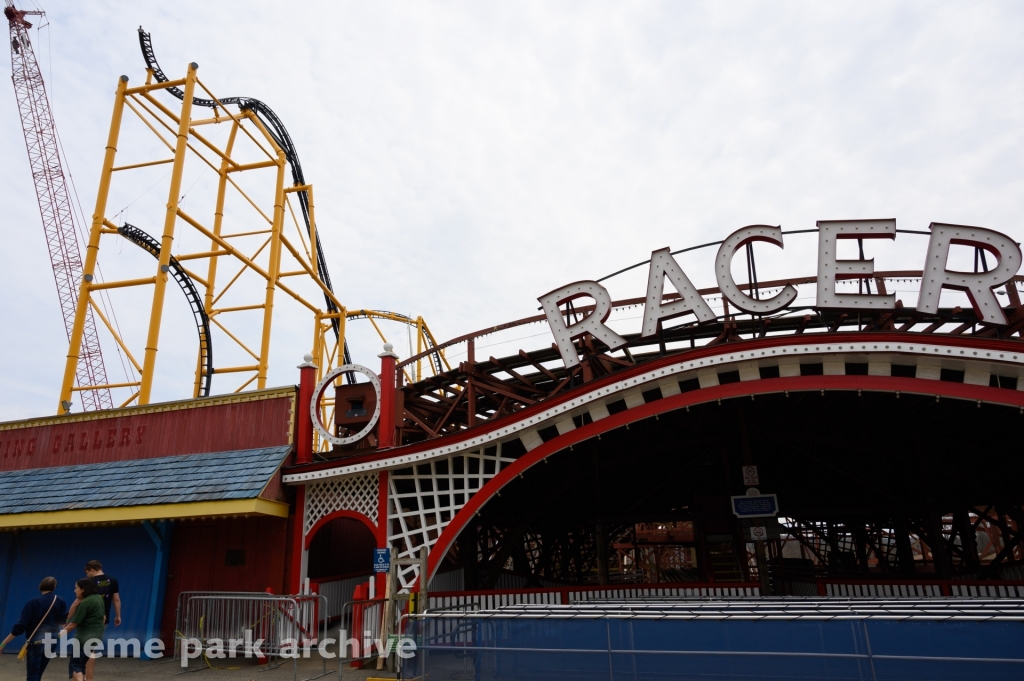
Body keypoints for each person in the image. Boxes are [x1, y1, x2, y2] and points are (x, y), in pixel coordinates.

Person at [0, 576, 68, 681]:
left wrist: (3, 644)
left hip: (37, 640)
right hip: (52, 639)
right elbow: (64, 623)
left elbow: (21, 625)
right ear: (54, 587)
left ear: (40, 586)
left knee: (33, 675)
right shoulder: (60, 601)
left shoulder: (33, 602)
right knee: (39, 673)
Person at [60, 578, 104, 681]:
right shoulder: (98, 598)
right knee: (82, 664)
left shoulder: (85, 603)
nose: (75, 590)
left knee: (76, 665)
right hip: (96, 637)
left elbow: (72, 624)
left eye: (76, 588)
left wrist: (57, 636)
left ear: (83, 589)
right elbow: (103, 618)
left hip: (82, 639)